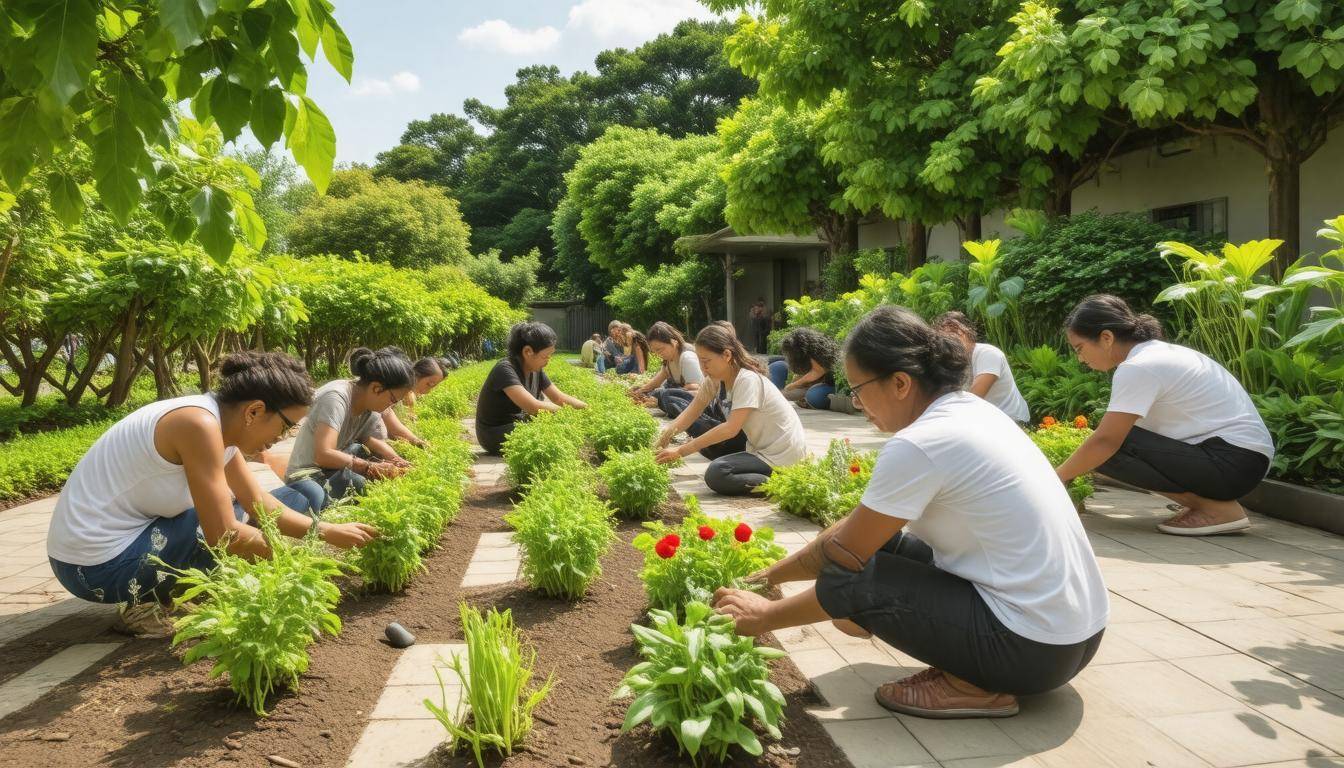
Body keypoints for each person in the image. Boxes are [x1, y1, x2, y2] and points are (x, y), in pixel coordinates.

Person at [712, 306, 1108, 718]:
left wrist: (766, 616)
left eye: (858, 388)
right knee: (882, 550)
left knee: (857, 579)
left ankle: (976, 686)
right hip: (1076, 636)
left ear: (900, 382)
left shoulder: (922, 442)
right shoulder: (972, 413)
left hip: (1027, 653)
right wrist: (767, 577)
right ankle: (977, 666)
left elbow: (847, 560)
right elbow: (853, 532)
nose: (857, 401)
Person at [46, 352, 379, 635]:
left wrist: (328, 533)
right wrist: (301, 565)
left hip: (129, 545)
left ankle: (179, 588)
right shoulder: (197, 424)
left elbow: (259, 503)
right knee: (213, 524)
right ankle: (143, 603)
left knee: (289, 501)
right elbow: (224, 533)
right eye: (286, 425)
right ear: (254, 411)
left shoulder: (221, 428)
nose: (284, 437)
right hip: (94, 568)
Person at [1054, 295, 1273, 536]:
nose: (1080, 359)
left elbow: (1107, 440)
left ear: (1106, 338)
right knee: (1110, 442)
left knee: (1109, 446)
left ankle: (1215, 509)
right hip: (1243, 460)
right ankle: (1212, 505)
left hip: (1232, 462)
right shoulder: (1156, 354)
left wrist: (1054, 479)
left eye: (1080, 348)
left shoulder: (1138, 366)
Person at [654, 324, 806, 495]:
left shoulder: (747, 379)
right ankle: (771, 478)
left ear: (726, 355)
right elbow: (692, 411)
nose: (702, 368)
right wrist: (666, 435)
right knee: (710, 449)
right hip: (759, 449)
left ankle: (780, 482)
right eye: (700, 361)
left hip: (781, 455)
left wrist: (681, 451)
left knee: (717, 473)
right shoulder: (714, 380)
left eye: (706, 361)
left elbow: (731, 429)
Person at [284, 347, 414, 509]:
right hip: (307, 473)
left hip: (329, 467)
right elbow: (323, 454)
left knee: (363, 451)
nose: (391, 406)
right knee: (357, 484)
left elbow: (372, 441)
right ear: (376, 388)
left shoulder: (369, 405)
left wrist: (398, 462)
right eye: (393, 399)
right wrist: (369, 467)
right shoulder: (336, 398)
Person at [475, 321, 589, 455]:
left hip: (518, 424)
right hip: (495, 434)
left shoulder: (535, 370)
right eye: (545, 356)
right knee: (553, 426)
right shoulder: (505, 369)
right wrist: (567, 415)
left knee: (553, 424)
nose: (548, 361)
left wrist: (586, 409)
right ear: (528, 351)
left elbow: (558, 397)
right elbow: (533, 407)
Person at [933, 311, 1030, 424]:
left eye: (955, 332)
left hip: (1013, 421)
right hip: (986, 421)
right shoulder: (952, 362)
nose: (952, 339)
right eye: (945, 337)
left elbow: (974, 397)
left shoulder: (988, 353)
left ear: (967, 332)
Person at [367, 356, 451, 458]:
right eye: (429, 384)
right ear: (416, 374)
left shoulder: (405, 394)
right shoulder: (394, 390)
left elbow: (389, 417)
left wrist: (417, 442)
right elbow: (386, 423)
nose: (429, 391)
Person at [634, 322, 704, 413]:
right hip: (680, 396)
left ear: (673, 342)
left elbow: (694, 389)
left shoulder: (687, 357)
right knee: (656, 393)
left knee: (664, 395)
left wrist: (659, 401)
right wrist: (640, 390)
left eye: (660, 350)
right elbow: (657, 381)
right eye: (655, 352)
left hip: (698, 400)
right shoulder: (669, 359)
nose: (658, 355)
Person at [768, 328, 839, 410]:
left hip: (828, 384)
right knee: (777, 366)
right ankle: (773, 396)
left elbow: (817, 372)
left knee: (814, 395)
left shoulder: (817, 353)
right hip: (809, 385)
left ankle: (802, 398)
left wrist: (793, 385)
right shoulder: (802, 355)